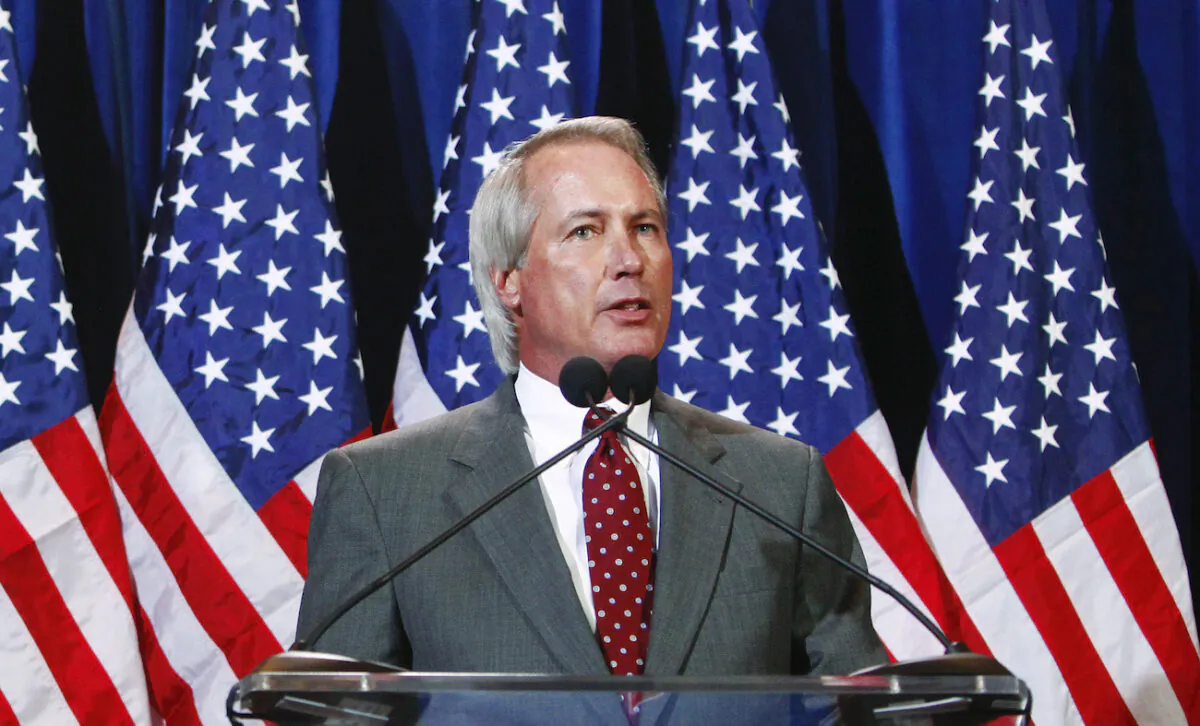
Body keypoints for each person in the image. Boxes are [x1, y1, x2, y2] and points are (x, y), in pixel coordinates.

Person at [296, 117, 886, 709]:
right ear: (508, 280)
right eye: (584, 231)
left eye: (646, 227)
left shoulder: (781, 483)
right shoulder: (384, 490)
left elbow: (857, 712)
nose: (629, 260)